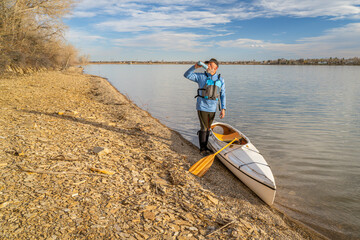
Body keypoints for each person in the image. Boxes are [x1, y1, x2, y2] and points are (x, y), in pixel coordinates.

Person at [184, 58, 226, 155]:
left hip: (213, 108)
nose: (208, 66)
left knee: (208, 128)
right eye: (208, 65)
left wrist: (223, 109)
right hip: (202, 106)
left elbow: (223, 95)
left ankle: (206, 147)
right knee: (203, 127)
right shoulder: (201, 77)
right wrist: (194, 67)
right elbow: (186, 75)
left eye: (211, 65)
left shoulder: (220, 80)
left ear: (216, 68)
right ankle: (202, 149)